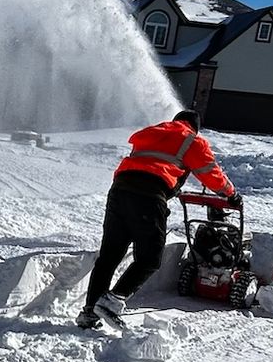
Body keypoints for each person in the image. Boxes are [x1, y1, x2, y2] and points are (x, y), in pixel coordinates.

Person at [78, 109, 240, 329]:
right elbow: (211, 173)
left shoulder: (153, 133)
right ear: (195, 127)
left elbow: (150, 164)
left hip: (119, 191)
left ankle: (89, 312)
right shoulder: (192, 140)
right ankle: (112, 301)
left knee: (110, 255)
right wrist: (231, 194)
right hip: (149, 196)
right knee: (150, 258)